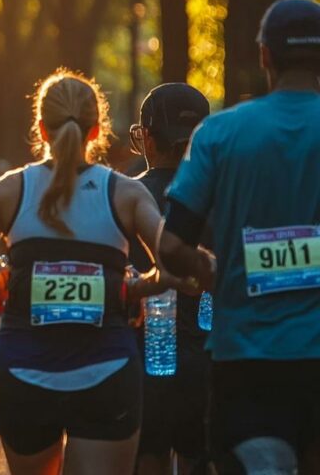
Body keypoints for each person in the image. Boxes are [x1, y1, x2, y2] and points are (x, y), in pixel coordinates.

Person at [0, 71, 181, 474]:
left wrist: (1, 281)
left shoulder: (5, 192)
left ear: (40, 128)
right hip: (107, 371)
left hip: (23, 373)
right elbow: (173, 267)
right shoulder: (124, 193)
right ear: (97, 130)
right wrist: (134, 289)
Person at [159, 0, 320, 474]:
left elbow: (170, 246)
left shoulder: (218, 134)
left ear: (265, 56)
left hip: (246, 363)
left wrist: (213, 271)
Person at [127, 83, 211, 475]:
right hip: (211, 357)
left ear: (146, 135)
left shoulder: (126, 195)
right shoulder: (221, 192)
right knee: (199, 458)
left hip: (145, 358)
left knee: (150, 457)